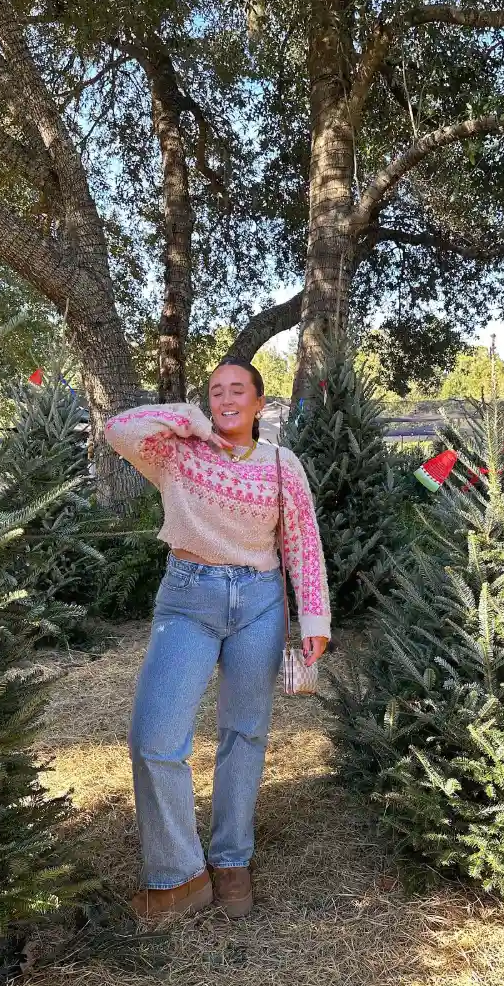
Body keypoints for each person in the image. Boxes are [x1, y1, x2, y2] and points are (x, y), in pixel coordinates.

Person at [105, 359, 330, 921]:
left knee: (244, 734)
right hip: (187, 599)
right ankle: (179, 875)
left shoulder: (282, 463)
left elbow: (302, 542)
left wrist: (315, 621)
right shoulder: (177, 453)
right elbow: (118, 429)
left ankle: (232, 858)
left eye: (238, 390)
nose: (226, 399)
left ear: (258, 402)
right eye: (215, 392)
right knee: (154, 737)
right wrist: (187, 419)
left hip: (260, 604)